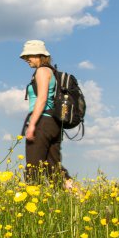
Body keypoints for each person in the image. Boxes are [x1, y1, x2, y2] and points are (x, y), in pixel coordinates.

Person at [20, 40, 76, 191]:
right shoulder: (52, 72)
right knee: (54, 168)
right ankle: (80, 198)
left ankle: (32, 204)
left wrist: (32, 125)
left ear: (39, 55)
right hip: (54, 124)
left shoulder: (42, 71)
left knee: (33, 167)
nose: (27, 59)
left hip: (42, 122)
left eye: (29, 56)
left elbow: (42, 98)